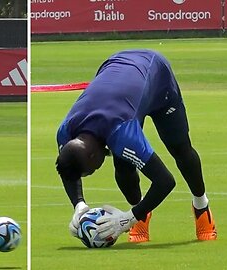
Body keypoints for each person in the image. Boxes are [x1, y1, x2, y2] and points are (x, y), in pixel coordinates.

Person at [55, 49, 217, 243]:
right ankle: (141, 212)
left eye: (90, 171)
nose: (93, 172)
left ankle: (201, 207)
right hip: (120, 79)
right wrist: (79, 205)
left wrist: (127, 219)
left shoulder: (122, 133)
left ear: (91, 156)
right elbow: (68, 170)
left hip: (157, 76)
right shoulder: (66, 132)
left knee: (180, 148)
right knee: (123, 163)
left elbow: (165, 181)